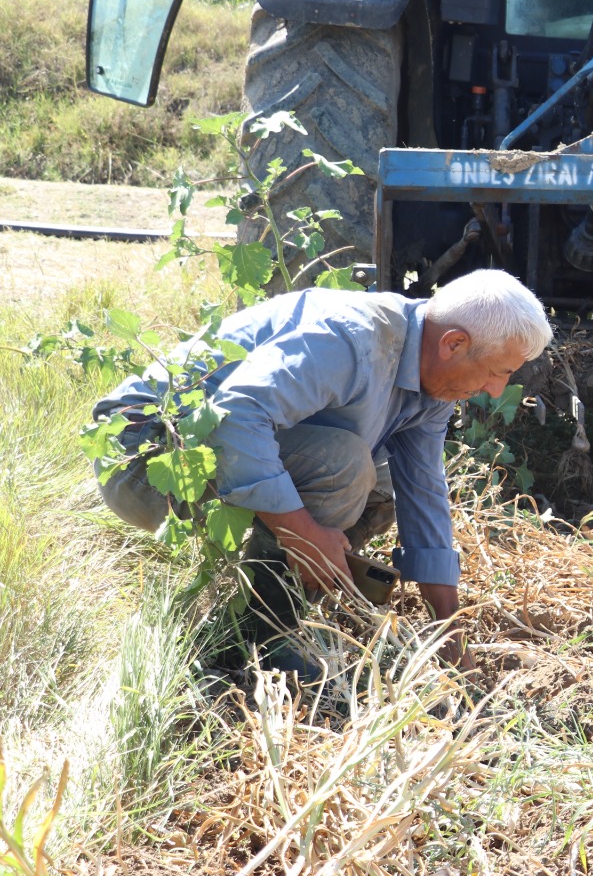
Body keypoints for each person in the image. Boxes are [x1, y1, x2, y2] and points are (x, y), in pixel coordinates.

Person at [93, 269, 552, 672]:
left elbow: (423, 492)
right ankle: (257, 644)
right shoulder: (355, 339)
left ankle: (280, 594)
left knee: (388, 478)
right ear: (454, 344)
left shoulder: (432, 380)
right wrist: (302, 532)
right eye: (497, 371)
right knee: (344, 465)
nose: (496, 390)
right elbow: (234, 416)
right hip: (146, 457)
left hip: (209, 456)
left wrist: (448, 633)